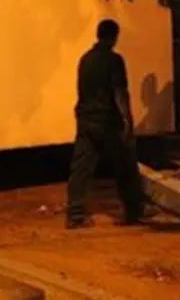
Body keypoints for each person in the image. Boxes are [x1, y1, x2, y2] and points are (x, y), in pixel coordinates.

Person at [66, 19, 147, 229]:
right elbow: (119, 92)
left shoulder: (85, 60)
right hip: (106, 121)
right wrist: (127, 120)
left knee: (82, 166)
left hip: (85, 119)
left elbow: (82, 90)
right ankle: (133, 210)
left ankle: (75, 213)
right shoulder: (114, 61)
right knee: (124, 163)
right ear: (114, 36)